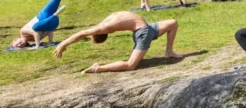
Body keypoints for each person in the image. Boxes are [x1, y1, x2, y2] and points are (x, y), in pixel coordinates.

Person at [53, 11, 181, 73]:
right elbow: (81, 34)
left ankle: (169, 51)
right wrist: (63, 44)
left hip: (146, 28)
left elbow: (82, 34)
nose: (91, 34)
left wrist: (62, 44)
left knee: (172, 23)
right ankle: (97, 68)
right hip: (143, 32)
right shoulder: (104, 26)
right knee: (131, 65)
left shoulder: (102, 26)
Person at [11, 0, 76, 49]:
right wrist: (50, 41)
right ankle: (55, 15)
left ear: (16, 39)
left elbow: (35, 32)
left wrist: (37, 45)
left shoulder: (23, 31)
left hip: (43, 14)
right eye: (19, 46)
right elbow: (49, 31)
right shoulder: (33, 40)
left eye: (17, 43)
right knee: (42, 27)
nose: (19, 44)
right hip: (49, 20)